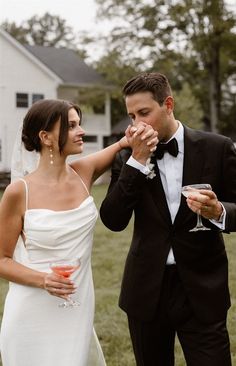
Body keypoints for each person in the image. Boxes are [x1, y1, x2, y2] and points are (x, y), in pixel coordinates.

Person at [0, 98, 158, 366]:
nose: (81, 131)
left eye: (79, 124)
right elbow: (2, 259)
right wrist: (43, 280)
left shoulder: (84, 171)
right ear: (45, 137)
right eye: (72, 125)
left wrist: (136, 134)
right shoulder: (19, 191)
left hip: (77, 307)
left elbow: (123, 145)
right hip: (32, 310)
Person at [99, 72, 236, 366]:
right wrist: (136, 161)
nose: (136, 124)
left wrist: (219, 211)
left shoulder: (217, 147)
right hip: (146, 291)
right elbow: (113, 219)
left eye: (144, 113)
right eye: (131, 116)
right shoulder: (127, 157)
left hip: (203, 289)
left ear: (169, 104)